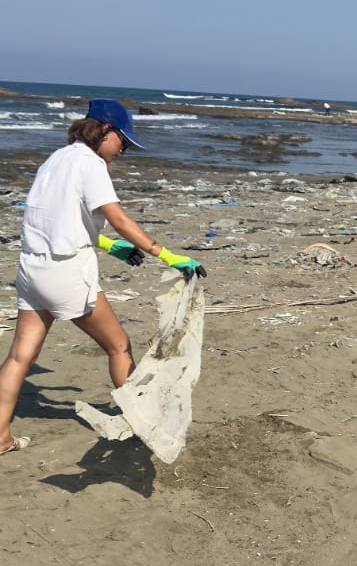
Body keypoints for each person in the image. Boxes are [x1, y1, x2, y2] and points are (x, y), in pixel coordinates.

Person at [0, 98, 206, 456]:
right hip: (66, 272)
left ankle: (1, 437)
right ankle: (145, 423)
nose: (123, 150)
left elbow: (61, 218)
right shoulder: (90, 164)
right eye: (123, 142)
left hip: (32, 271)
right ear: (105, 131)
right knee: (119, 345)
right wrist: (169, 257)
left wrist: (109, 247)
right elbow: (119, 218)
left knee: (20, 358)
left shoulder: (55, 160)